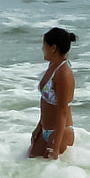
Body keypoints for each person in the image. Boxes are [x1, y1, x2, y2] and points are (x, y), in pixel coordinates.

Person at [29, 27, 76, 160]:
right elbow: (46, 102)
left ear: (53, 48)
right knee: (30, 164)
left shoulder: (63, 74)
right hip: (46, 129)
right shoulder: (52, 66)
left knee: (48, 170)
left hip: (60, 132)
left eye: (44, 45)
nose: (42, 49)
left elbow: (62, 112)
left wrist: (55, 148)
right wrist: (40, 126)